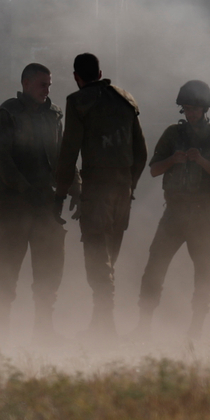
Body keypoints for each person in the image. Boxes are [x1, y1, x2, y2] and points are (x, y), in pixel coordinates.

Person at [54, 53, 147, 338]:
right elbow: (141, 153)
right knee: (109, 256)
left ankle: (105, 324)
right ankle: (100, 320)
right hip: (123, 189)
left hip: (96, 188)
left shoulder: (77, 103)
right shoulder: (126, 100)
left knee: (96, 255)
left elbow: (69, 153)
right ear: (100, 72)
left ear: (76, 76)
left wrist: (59, 194)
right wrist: (129, 185)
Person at [135, 80, 210, 340]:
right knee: (155, 266)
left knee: (204, 272)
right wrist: (173, 159)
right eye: (187, 108)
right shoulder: (172, 135)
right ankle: (143, 325)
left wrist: (201, 161)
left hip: (203, 214)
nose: (191, 114)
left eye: (196, 109)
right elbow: (154, 169)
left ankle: (196, 328)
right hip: (175, 213)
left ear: (205, 109)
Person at [0, 62, 78, 344]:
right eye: (42, 84)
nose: (47, 90)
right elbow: (3, 161)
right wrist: (26, 190)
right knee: (8, 269)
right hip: (16, 205)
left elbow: (63, 155)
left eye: (49, 85)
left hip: (45, 206)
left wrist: (76, 187)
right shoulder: (7, 115)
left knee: (49, 270)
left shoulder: (53, 115)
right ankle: (2, 328)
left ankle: (44, 328)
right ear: (26, 83)